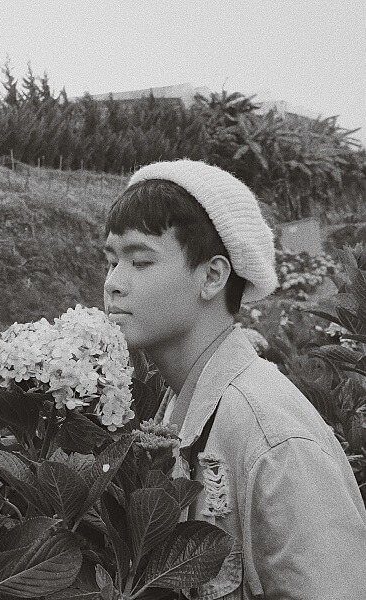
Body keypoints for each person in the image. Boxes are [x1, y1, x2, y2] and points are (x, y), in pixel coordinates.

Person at [102, 160, 366, 599]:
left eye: (140, 261)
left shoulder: (273, 439)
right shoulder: (175, 405)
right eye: (111, 261)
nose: (113, 283)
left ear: (212, 276)